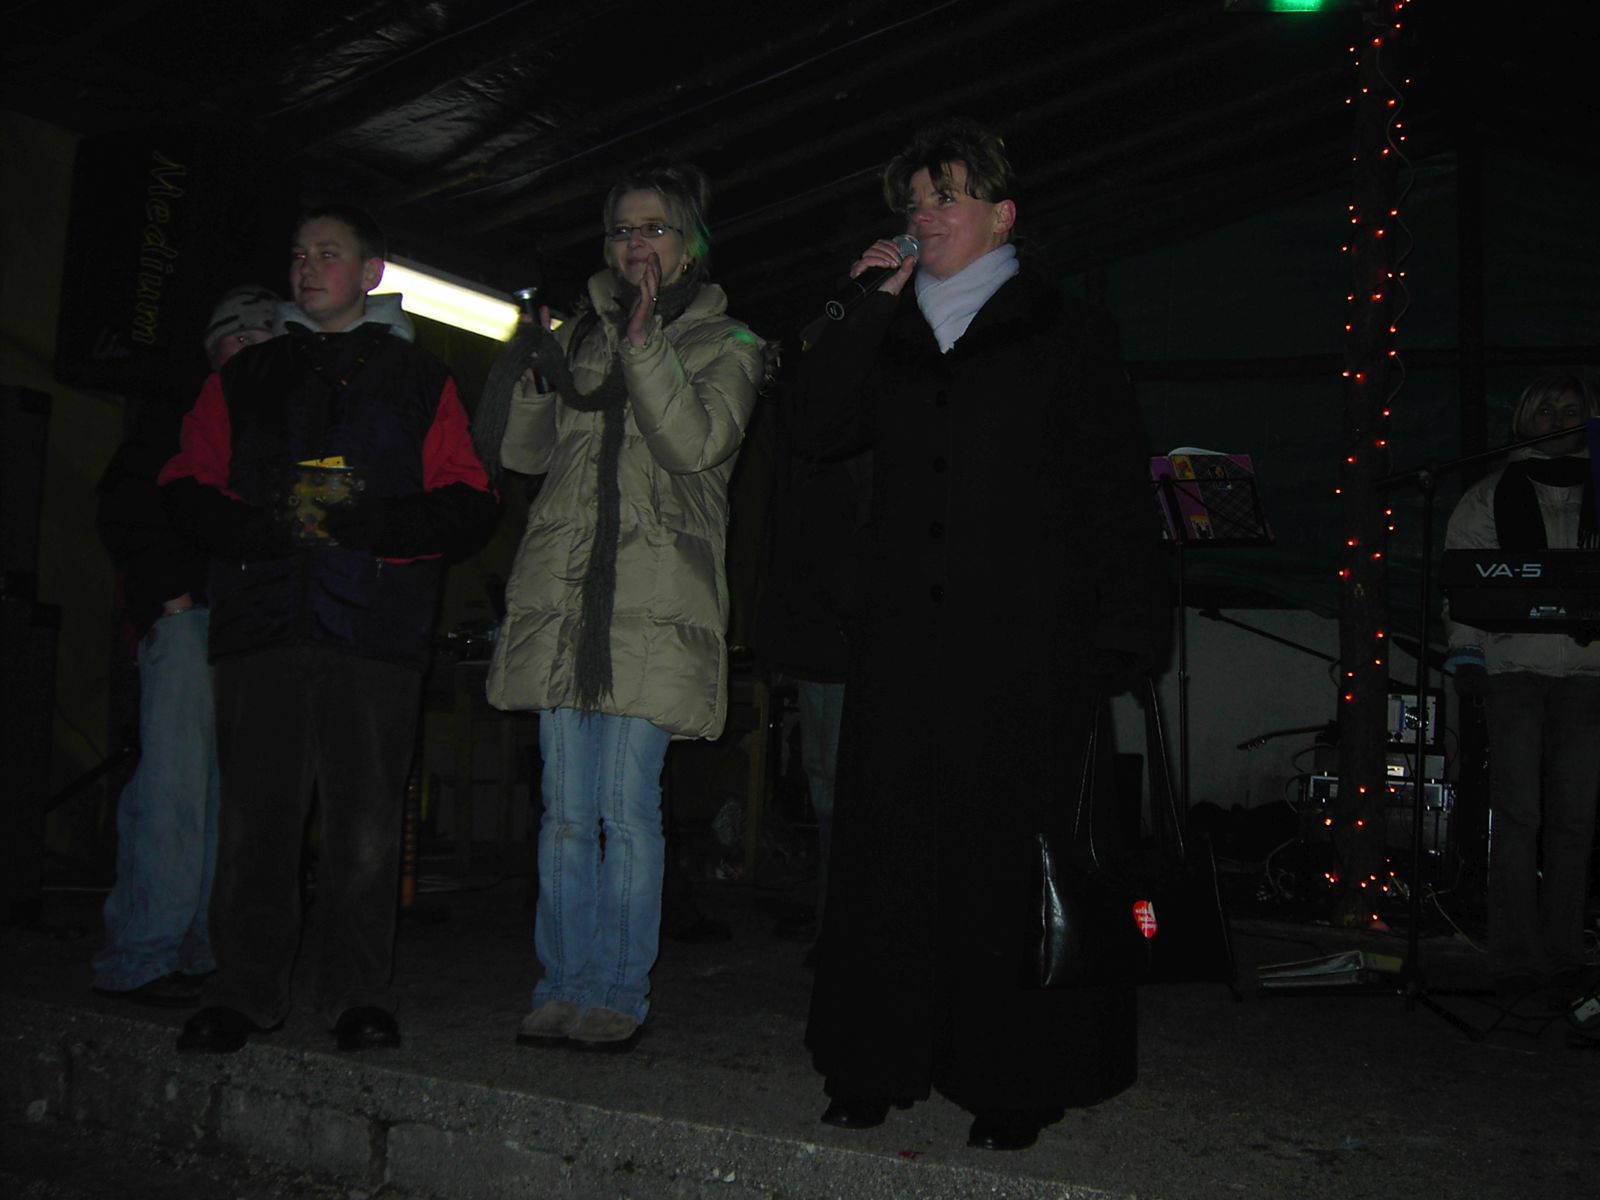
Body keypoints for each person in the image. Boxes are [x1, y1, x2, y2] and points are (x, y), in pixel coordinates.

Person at [789, 118, 1169, 1151]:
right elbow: (813, 428)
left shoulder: (1065, 328)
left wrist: (1124, 625)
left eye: (946, 196)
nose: (924, 214)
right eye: (915, 200)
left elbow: (1113, 483)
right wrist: (862, 303)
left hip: (1026, 641)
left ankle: (1013, 1076)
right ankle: (872, 1060)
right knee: (891, 851)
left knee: (1010, 855)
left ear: (1001, 216)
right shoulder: (888, 324)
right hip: (904, 641)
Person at [161, 204, 498, 1053]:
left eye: (328, 254)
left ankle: (357, 996)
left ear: (371, 272)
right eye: (299, 255)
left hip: (373, 631)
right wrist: (254, 530)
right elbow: (184, 480)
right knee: (255, 824)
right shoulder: (245, 375)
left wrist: (377, 526)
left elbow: (469, 499)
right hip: (263, 626)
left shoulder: (420, 378)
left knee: (366, 828)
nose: (308, 268)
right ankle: (243, 991)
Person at [485, 161, 767, 1050]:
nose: (635, 243)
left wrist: (645, 344)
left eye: (654, 227)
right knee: (564, 811)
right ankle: (561, 983)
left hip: (656, 602)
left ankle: (615, 990)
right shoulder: (581, 337)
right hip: (567, 597)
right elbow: (525, 459)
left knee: (624, 805)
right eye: (621, 229)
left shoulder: (729, 344)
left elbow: (692, 444)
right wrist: (534, 375)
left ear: (690, 245)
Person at [90, 285, 279, 1007]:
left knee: (226, 797)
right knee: (172, 791)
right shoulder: (177, 413)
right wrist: (170, 598)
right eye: (244, 338)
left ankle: (197, 949)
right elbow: (126, 507)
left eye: (269, 341)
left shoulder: (272, 428)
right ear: (217, 346)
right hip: (188, 622)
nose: (255, 352)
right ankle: (141, 954)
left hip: (244, 632)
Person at [1443, 373, 1600, 1002]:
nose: (1559, 418)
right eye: (1547, 410)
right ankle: (1512, 954)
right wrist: (1467, 655)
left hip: (1589, 673)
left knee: (1575, 818)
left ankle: (1563, 953)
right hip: (1514, 671)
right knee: (1517, 815)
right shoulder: (1488, 495)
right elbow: (1463, 585)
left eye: (1572, 409)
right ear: (1526, 420)